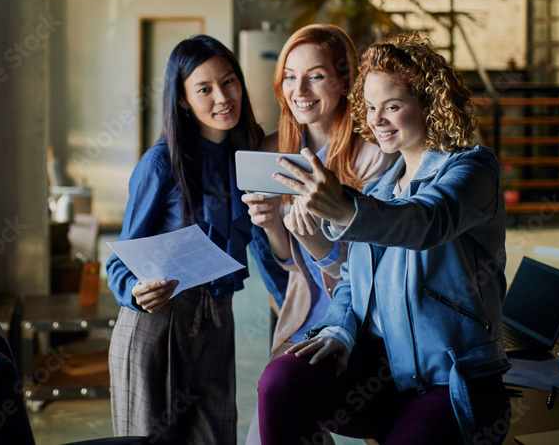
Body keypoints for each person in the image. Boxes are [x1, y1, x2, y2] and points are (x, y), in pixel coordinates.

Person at [257, 32, 511, 445]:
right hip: (382, 375)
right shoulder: (379, 191)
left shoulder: (473, 170)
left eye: (392, 106)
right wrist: (339, 330)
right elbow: (353, 284)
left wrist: (343, 208)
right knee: (281, 379)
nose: (376, 120)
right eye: (371, 107)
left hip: (453, 380)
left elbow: (426, 221)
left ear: (429, 104)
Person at [106, 35, 265, 445]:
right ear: (182, 100)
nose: (223, 97)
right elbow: (118, 261)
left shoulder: (249, 155)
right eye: (204, 89)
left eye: (229, 82)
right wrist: (136, 290)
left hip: (217, 320)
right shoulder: (161, 164)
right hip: (158, 323)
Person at [242, 25, 393, 444]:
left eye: (316, 75)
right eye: (290, 76)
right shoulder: (275, 150)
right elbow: (290, 264)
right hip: (306, 310)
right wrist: (272, 222)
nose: (299, 89)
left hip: (364, 318)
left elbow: (371, 272)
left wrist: (319, 245)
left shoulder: (374, 155)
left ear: (345, 80)